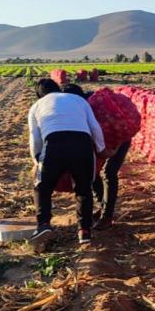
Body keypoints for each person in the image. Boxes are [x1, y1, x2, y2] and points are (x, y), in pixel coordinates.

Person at [28, 79, 112, 252]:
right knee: (83, 189)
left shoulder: (37, 106)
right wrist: (102, 149)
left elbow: (34, 137)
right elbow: (94, 126)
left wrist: (37, 161)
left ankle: (43, 224)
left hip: (54, 144)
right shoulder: (79, 100)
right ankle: (84, 231)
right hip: (82, 144)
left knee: (42, 187)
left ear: (39, 95)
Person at [62, 84, 130, 230]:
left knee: (108, 172)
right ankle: (102, 206)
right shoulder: (81, 105)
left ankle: (107, 216)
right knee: (92, 171)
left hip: (119, 138)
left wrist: (110, 150)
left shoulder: (94, 106)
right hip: (103, 139)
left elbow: (115, 127)